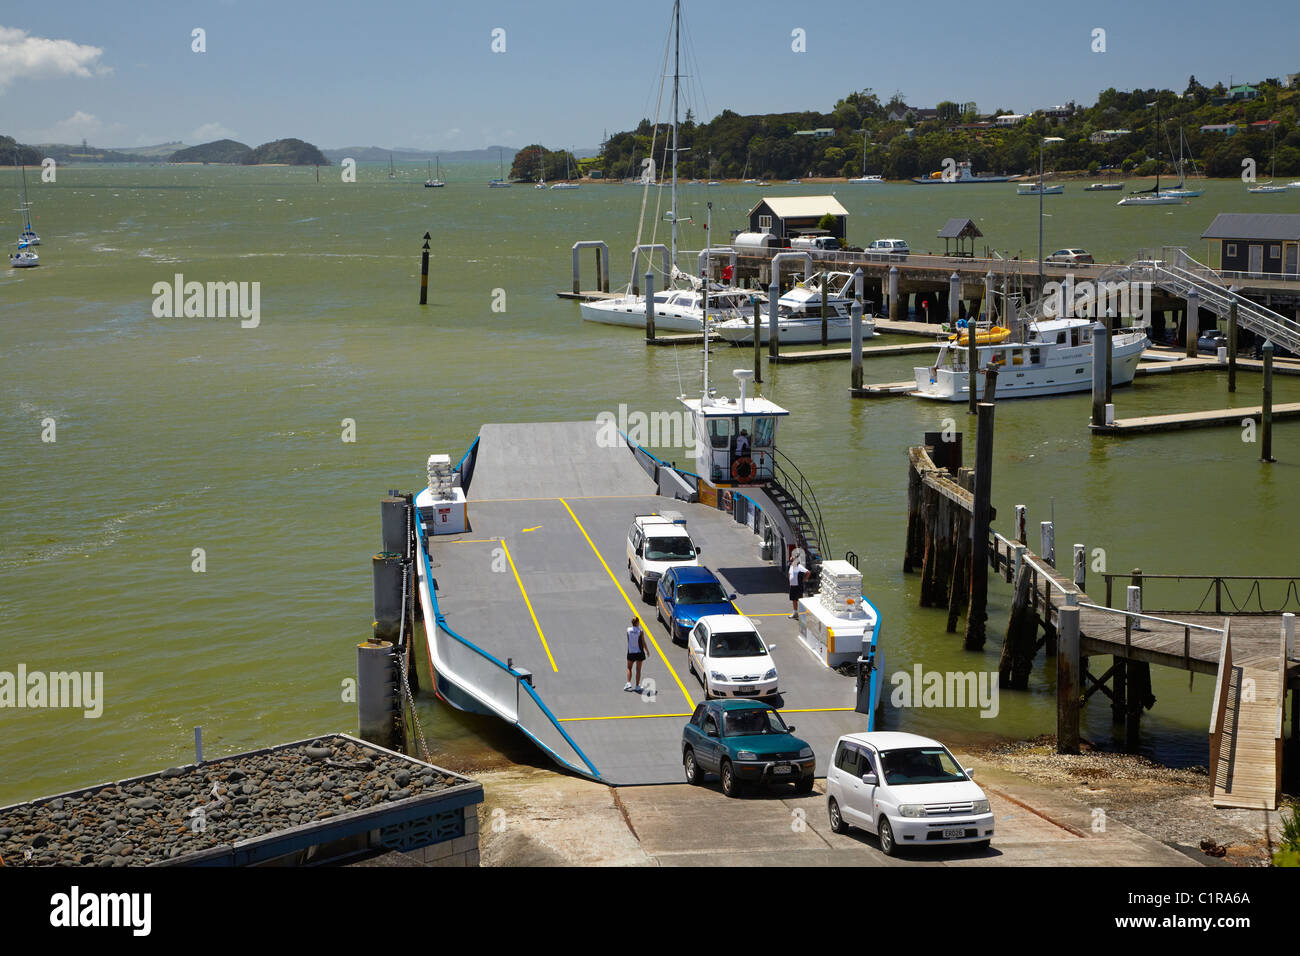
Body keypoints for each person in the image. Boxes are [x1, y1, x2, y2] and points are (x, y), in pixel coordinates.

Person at [625, 616, 647, 691]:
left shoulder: (628, 630)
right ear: (637, 623)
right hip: (639, 653)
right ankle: (637, 686)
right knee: (638, 670)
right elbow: (643, 642)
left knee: (629, 668)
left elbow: (628, 639)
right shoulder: (640, 631)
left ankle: (628, 683)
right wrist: (647, 650)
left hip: (631, 652)